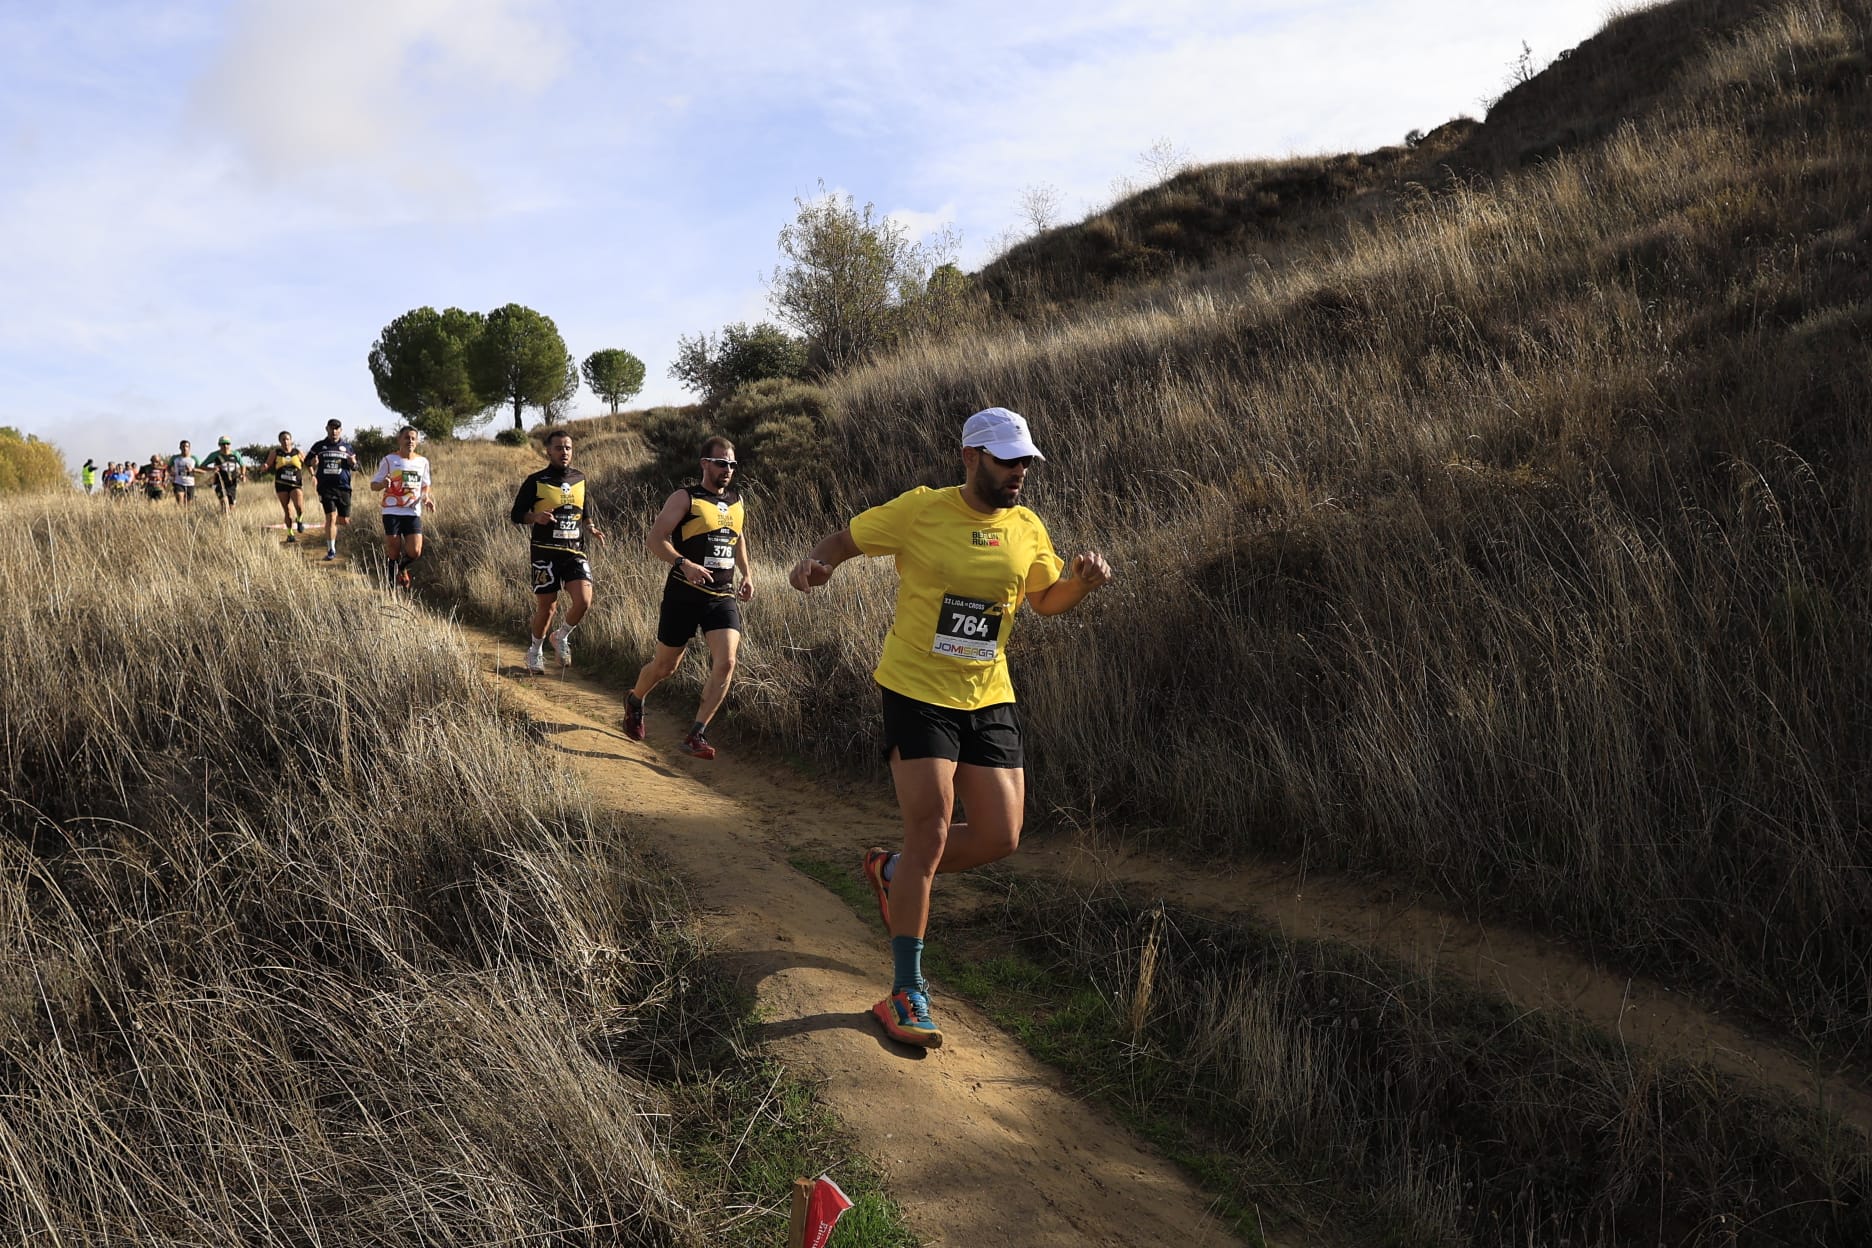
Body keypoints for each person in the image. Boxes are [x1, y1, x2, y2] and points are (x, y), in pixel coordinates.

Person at [788, 407, 1113, 1049]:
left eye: (1024, 461)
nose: (1018, 473)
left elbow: (1044, 601)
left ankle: (894, 872)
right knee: (933, 826)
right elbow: (843, 541)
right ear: (970, 457)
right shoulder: (920, 510)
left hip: (988, 694)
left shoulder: (1026, 527)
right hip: (916, 690)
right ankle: (906, 990)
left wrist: (1080, 584)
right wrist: (813, 567)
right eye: (1005, 460)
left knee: (1001, 835)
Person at [622, 436, 751, 760]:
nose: (728, 469)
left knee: (728, 662)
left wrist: (747, 573)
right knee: (666, 666)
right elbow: (655, 540)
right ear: (704, 463)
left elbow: (738, 538)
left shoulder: (736, 501)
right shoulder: (685, 498)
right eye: (721, 463)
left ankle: (697, 734)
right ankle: (636, 700)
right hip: (684, 592)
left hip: (721, 596)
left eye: (732, 464)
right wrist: (684, 563)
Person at [510, 429, 606, 674]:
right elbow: (516, 514)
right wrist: (535, 517)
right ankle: (535, 651)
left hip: (574, 550)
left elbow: (583, 508)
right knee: (548, 607)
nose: (564, 452)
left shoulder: (579, 478)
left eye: (568, 448)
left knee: (584, 601)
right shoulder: (536, 480)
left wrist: (591, 527)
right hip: (544, 552)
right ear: (548, 451)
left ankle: (561, 636)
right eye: (559, 448)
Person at [369, 425, 434, 589]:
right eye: (407, 437)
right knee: (394, 549)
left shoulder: (422, 462)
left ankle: (402, 567)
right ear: (399, 440)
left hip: (412, 511)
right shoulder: (389, 460)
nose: (410, 441)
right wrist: (383, 483)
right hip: (392, 510)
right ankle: (390, 588)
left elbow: (425, 485)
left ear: (417, 442)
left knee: (415, 551)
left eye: (413, 438)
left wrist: (426, 498)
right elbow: (373, 485)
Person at [305, 418, 360, 561]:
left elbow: (356, 466)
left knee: (344, 520)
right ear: (327, 429)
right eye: (331, 428)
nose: (334, 431)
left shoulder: (347, 447)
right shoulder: (319, 446)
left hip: (344, 487)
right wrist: (313, 466)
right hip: (325, 487)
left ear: (341, 431)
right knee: (330, 517)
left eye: (337, 428)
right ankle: (331, 549)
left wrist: (353, 464)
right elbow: (307, 461)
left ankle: (339, 538)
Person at [263, 432, 308, 541]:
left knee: (299, 506)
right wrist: (265, 466)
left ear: (291, 440)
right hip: (281, 483)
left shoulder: (297, 452)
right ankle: (290, 534)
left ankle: (299, 519)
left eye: (287, 439)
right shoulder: (275, 452)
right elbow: (267, 464)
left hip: (295, 483)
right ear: (280, 441)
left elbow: (308, 463)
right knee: (287, 510)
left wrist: (314, 464)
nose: (285, 441)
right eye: (283, 439)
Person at [199, 437, 245, 516]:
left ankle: (224, 521)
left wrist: (242, 474)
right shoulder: (214, 455)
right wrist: (212, 468)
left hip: (232, 483)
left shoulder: (235, 454)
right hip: (219, 482)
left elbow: (242, 465)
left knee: (231, 506)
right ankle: (223, 520)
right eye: (223, 444)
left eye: (227, 444)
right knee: (224, 503)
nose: (225, 446)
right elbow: (202, 466)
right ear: (219, 445)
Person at [168, 441, 198, 507]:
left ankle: (186, 516)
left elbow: (202, 470)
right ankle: (179, 514)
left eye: (187, 446)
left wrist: (192, 469)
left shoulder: (194, 458)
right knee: (180, 501)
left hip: (190, 483)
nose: (185, 448)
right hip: (178, 482)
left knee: (188, 505)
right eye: (183, 446)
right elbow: (168, 467)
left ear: (189, 448)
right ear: (180, 448)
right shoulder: (175, 458)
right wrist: (171, 473)